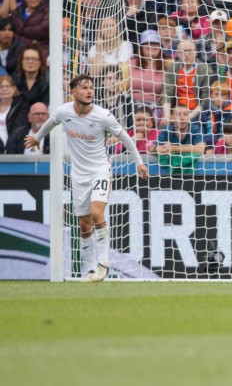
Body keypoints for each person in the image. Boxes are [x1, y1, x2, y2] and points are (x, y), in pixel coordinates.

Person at [26, 74, 148, 281]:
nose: (89, 91)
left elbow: (125, 137)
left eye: (91, 87)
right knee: (84, 224)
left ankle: (104, 263)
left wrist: (139, 162)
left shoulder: (103, 116)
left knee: (96, 212)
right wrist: (37, 138)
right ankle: (91, 269)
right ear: (73, 92)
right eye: (84, 87)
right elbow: (51, 122)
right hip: (78, 175)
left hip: (100, 170)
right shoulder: (64, 111)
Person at [0, 74, 28, 153]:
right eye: (1, 87)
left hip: (13, 149)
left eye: (8, 86)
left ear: (14, 89)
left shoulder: (21, 106)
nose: (4, 89)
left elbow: (18, 130)